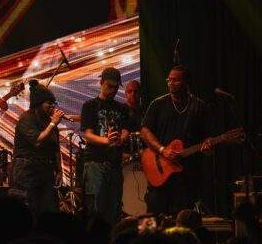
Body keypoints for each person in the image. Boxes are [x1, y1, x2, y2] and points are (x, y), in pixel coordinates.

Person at [140, 66, 213, 216]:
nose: (170, 83)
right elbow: (145, 131)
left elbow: (207, 137)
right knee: (154, 216)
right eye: (169, 80)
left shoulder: (199, 106)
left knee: (182, 216)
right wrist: (162, 150)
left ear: (186, 82)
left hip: (187, 174)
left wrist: (208, 149)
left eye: (175, 80)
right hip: (160, 171)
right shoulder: (158, 104)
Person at [80, 67, 131, 226]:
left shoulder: (122, 108)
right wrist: (107, 141)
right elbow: (88, 135)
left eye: (116, 87)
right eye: (109, 86)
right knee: (96, 207)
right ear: (101, 83)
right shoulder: (90, 106)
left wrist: (120, 139)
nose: (113, 90)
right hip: (95, 161)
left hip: (114, 162)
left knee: (114, 206)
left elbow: (126, 130)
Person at [10, 80, 64, 218]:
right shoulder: (26, 118)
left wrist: (59, 170)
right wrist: (53, 123)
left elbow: (55, 148)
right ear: (38, 104)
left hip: (46, 170)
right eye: (49, 103)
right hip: (26, 170)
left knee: (50, 211)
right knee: (28, 211)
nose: (52, 106)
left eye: (54, 103)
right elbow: (38, 141)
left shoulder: (50, 122)